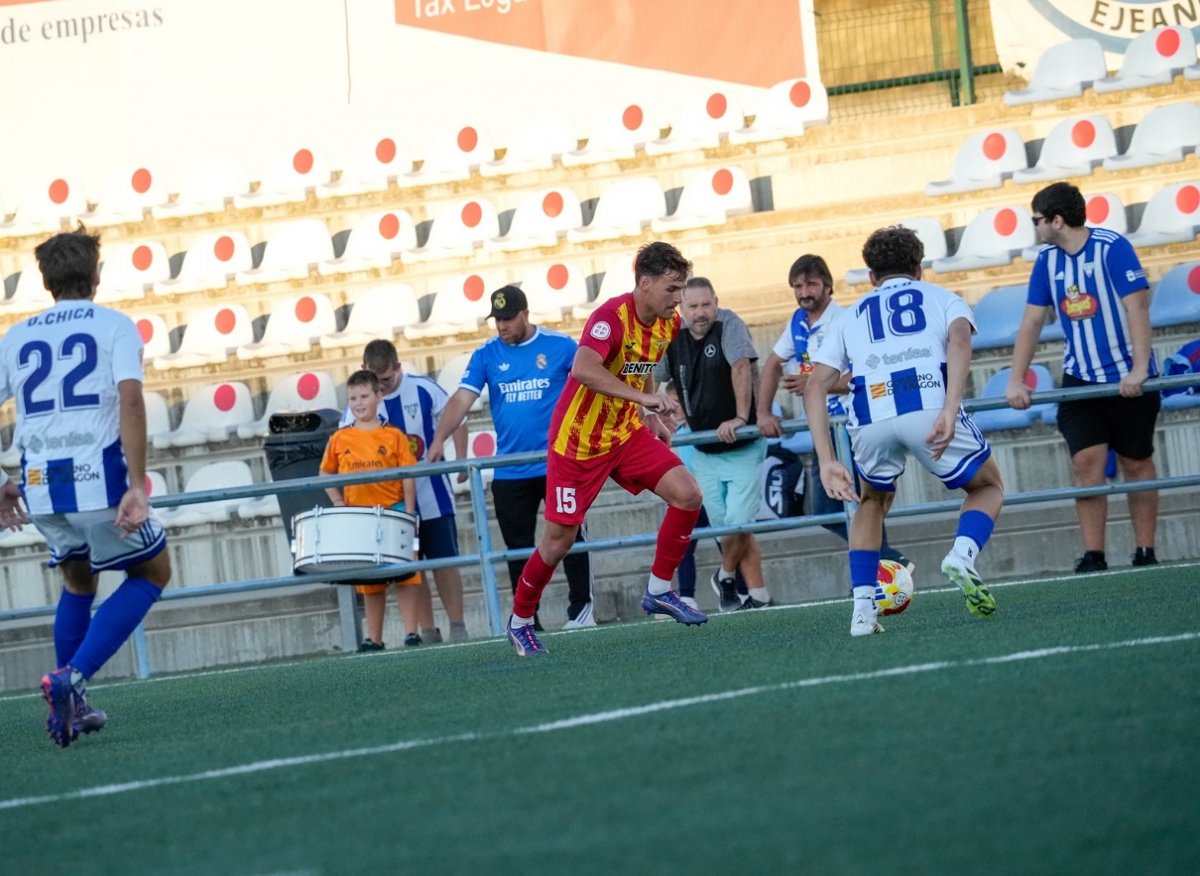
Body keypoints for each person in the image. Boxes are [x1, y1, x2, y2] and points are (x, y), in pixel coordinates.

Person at [0, 227, 171, 747]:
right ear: (96, 275)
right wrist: (137, 485)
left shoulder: (16, 336)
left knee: (78, 581)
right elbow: (132, 401)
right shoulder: (115, 326)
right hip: (96, 478)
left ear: (46, 280)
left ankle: (70, 707)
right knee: (154, 571)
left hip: (39, 484)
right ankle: (71, 678)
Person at [506, 241, 708, 656]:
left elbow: (643, 369)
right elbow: (583, 369)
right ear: (645, 283)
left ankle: (658, 590)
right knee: (558, 540)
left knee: (688, 494)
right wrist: (646, 403)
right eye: (672, 288)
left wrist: (650, 418)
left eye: (681, 288)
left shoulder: (667, 325)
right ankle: (520, 620)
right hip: (577, 443)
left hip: (625, 433)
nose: (679, 298)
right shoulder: (610, 318)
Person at [803, 226, 1004, 637]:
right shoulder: (942, 298)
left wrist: (827, 461)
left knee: (872, 501)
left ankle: (862, 612)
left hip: (871, 413)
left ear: (871, 276)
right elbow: (961, 339)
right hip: (927, 406)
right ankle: (962, 556)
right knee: (988, 487)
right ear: (919, 268)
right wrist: (950, 408)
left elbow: (814, 385)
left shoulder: (848, 317)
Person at [1006, 181, 1160, 574]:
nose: (1034, 226)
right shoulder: (1046, 261)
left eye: (1037, 219)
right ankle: (1094, 553)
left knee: (1136, 462)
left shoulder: (1111, 247)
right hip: (1080, 378)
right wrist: (1016, 378)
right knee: (1085, 463)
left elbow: (1137, 306)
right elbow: (1032, 320)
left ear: (1057, 220)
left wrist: (1139, 368)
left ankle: (1145, 551)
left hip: (1125, 376)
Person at [427, 286, 595, 630]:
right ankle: (526, 618)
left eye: (506, 319)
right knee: (518, 550)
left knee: (571, 537)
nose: (501, 326)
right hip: (510, 470)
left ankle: (581, 609)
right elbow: (462, 398)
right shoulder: (487, 354)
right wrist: (438, 440)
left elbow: (592, 383)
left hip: (557, 464)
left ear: (524, 314)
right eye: (497, 320)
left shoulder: (561, 347)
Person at [757, 254, 912, 569]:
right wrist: (763, 412)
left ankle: (884, 563)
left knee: (841, 506)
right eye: (798, 286)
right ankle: (887, 564)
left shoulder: (845, 320)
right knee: (845, 506)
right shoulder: (797, 323)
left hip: (850, 424)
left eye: (811, 284)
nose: (804, 292)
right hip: (822, 426)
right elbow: (773, 363)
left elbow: (863, 375)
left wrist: (817, 384)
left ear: (828, 286)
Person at [656, 277, 773, 612]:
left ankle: (724, 576)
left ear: (716, 302)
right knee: (725, 530)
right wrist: (655, 406)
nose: (700, 312)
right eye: (692, 306)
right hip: (704, 449)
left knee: (739, 521)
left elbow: (740, 367)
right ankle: (753, 593)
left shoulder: (729, 323)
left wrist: (739, 417)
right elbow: (656, 374)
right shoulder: (672, 333)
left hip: (743, 445)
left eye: (706, 304)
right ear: (682, 308)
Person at [350, 340, 469, 642]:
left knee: (444, 559)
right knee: (411, 565)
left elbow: (458, 417)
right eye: (377, 381)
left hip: (432, 491)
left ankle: (458, 627)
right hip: (390, 500)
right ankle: (427, 631)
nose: (383, 387)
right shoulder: (360, 402)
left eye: (387, 379)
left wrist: (460, 459)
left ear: (398, 368)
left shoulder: (423, 388)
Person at [322, 369, 421, 650]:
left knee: (405, 575)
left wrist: (409, 514)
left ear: (379, 396)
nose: (359, 402)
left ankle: (411, 633)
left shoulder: (393, 436)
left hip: (394, 511)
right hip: (359, 518)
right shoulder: (340, 439)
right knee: (370, 581)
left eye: (364, 396)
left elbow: (408, 478)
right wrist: (339, 503)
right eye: (353, 398)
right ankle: (374, 638)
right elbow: (325, 473)